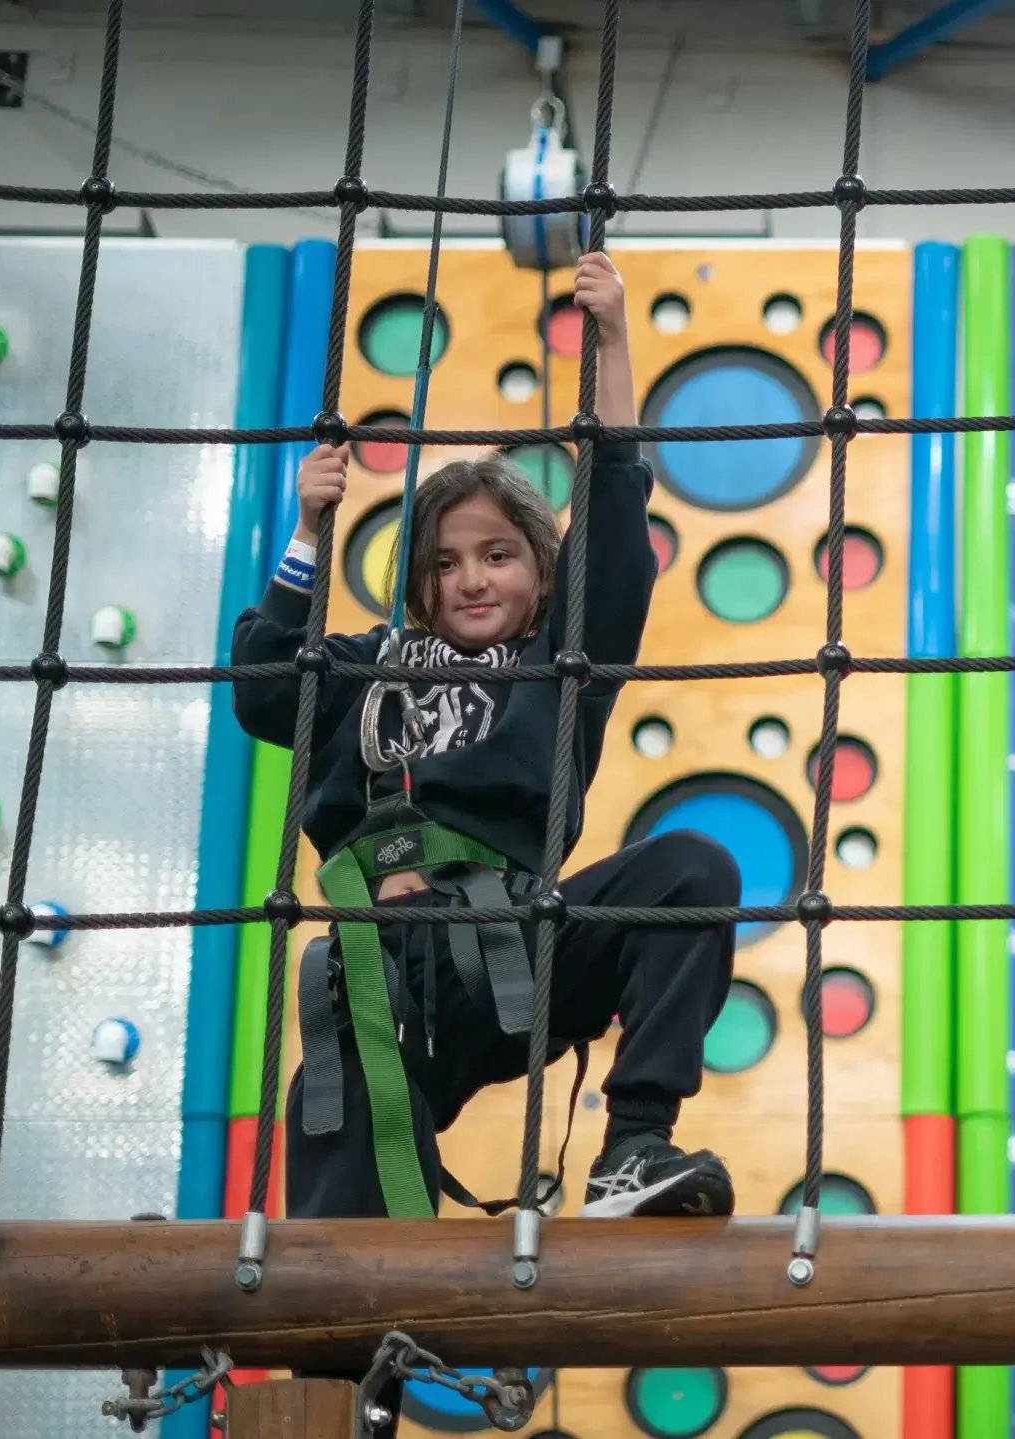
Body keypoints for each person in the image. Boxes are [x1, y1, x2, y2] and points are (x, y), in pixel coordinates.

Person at [233, 250, 742, 1227]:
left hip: (519, 947)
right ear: (418, 583)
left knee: (690, 869)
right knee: (340, 1221)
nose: (472, 579)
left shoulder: (561, 665)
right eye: (447, 561)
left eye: (499, 555)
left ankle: (634, 1142)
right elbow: (262, 691)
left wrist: (613, 342)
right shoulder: (365, 665)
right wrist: (308, 530)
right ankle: (361, 1370)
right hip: (381, 987)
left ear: (541, 575)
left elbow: (617, 521)